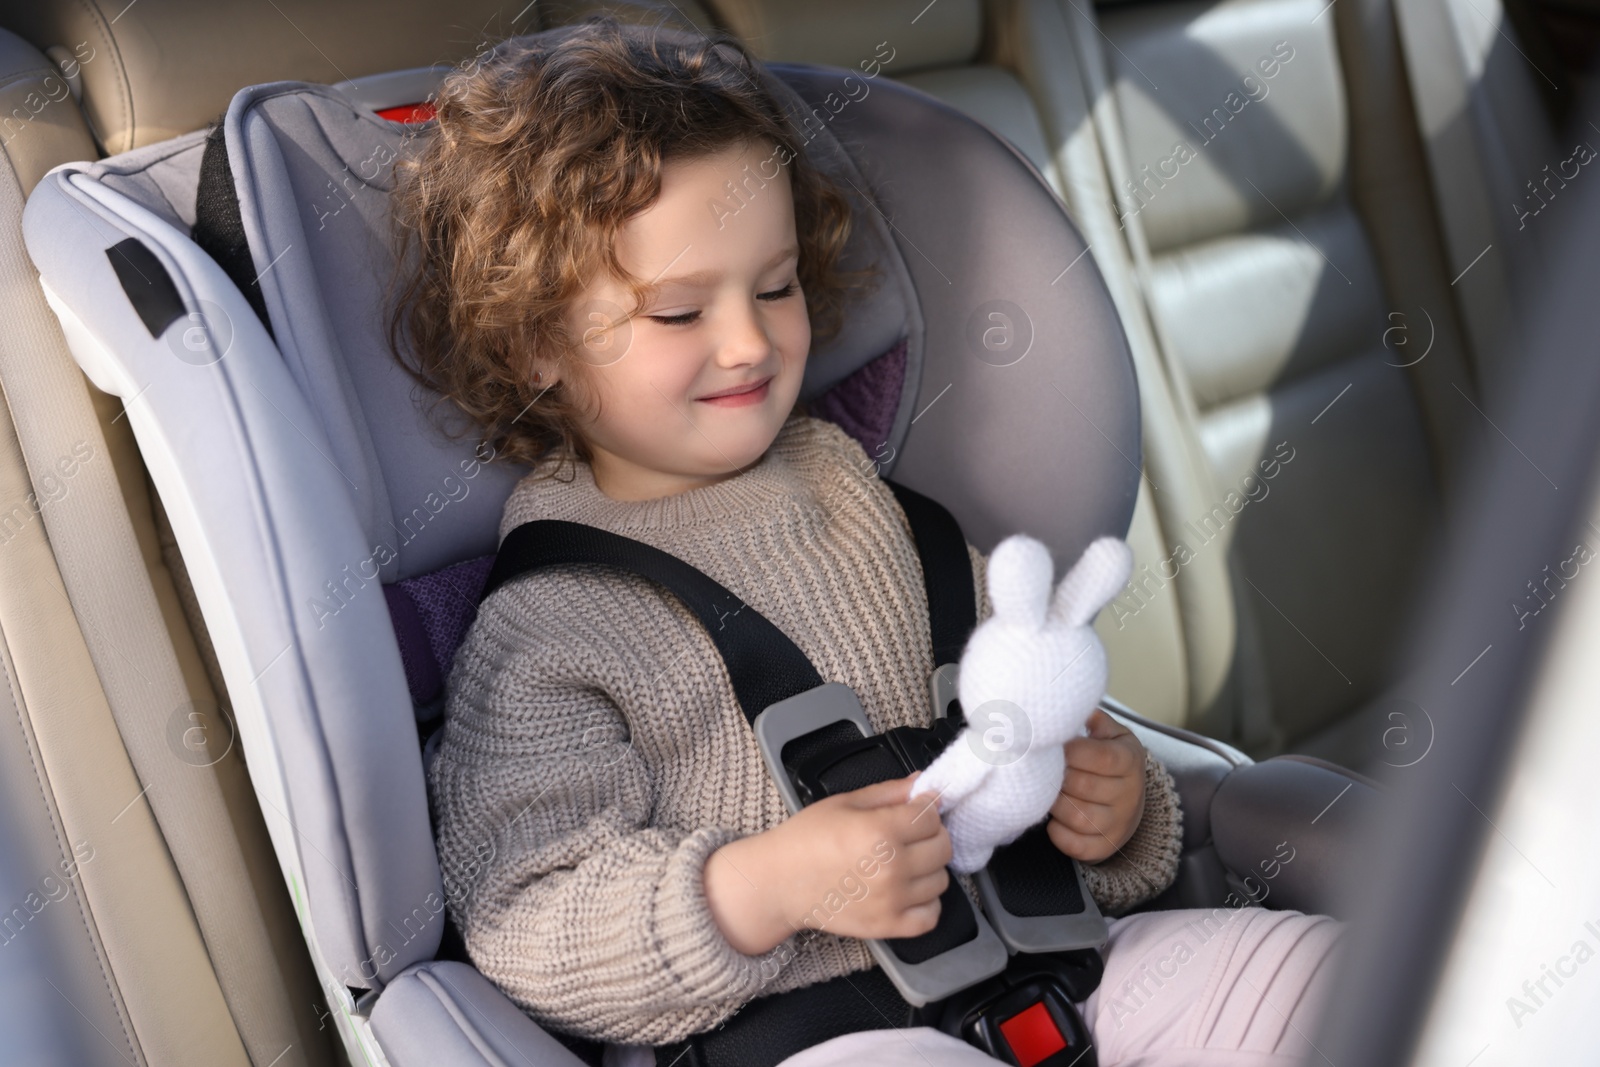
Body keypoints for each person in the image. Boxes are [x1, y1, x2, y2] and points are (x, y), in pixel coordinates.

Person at [388, 15, 1343, 1067]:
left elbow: (1023, 707)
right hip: (805, 1036)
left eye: (775, 285)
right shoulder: (549, 618)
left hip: (1057, 975)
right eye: (677, 314)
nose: (748, 341)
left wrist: (1114, 810)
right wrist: (762, 886)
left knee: (1321, 977)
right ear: (534, 344)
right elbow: (526, 915)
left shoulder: (866, 498)